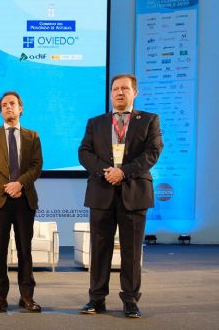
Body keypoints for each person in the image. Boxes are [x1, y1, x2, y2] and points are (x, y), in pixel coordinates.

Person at [78, 74, 163, 318]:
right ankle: (96, 299)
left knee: (131, 251)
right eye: (115, 89)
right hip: (101, 192)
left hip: (134, 192)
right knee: (99, 249)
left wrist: (123, 172)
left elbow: (153, 153)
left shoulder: (149, 120)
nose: (119, 92)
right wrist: (106, 172)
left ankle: (130, 301)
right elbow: (84, 152)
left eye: (125, 88)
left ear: (134, 92)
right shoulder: (96, 122)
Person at [0, 91, 43, 313]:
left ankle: (27, 297)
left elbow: (36, 165)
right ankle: (0, 298)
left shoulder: (32, 136)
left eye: (13, 104)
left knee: (25, 250)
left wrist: (19, 184)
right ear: (0, 111)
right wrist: (6, 186)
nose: (9, 107)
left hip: (24, 200)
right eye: (4, 105)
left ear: (20, 108)